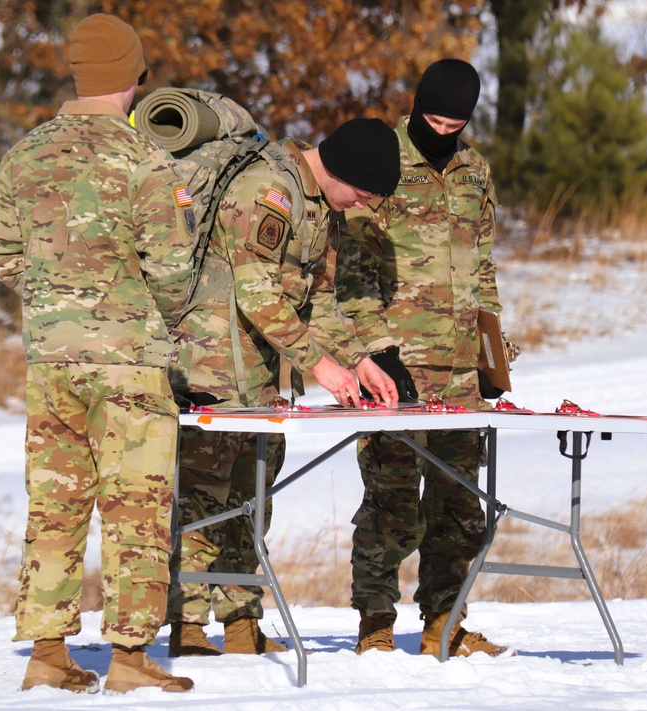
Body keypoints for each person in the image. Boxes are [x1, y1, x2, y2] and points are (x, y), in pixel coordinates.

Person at [0, 14, 194, 695]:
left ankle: (47, 652)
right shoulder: (146, 160)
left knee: (56, 502)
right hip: (128, 359)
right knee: (138, 503)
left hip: (51, 360)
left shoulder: (26, 154)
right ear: (135, 78)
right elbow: (174, 272)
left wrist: (53, 297)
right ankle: (129, 657)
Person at [162, 118, 403, 657]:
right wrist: (322, 367)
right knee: (204, 499)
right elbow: (258, 294)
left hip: (262, 377)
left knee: (253, 497)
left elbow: (314, 301)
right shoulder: (267, 189)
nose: (359, 205)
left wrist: (358, 360)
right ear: (340, 170)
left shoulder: (320, 206)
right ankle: (189, 628)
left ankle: (242, 623)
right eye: (361, 193)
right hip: (211, 369)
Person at [337, 59, 514, 659]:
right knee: (391, 504)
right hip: (396, 371)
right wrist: (375, 351)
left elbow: (483, 266)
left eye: (455, 123)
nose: (443, 132)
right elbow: (352, 277)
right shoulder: (381, 159)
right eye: (434, 120)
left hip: (462, 373)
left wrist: (493, 354)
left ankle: (445, 622)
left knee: (460, 506)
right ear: (416, 108)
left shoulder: (475, 170)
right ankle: (376, 625)